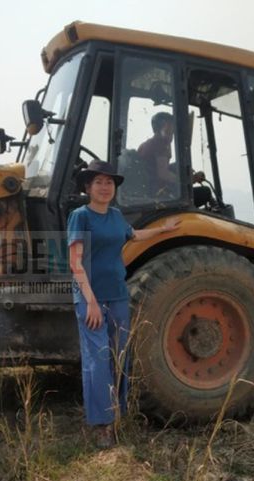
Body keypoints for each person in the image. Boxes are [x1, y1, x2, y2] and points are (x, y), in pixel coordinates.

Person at [67, 159, 181, 449]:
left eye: (109, 183)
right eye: (99, 182)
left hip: (118, 294)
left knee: (120, 355)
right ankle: (102, 425)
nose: (105, 187)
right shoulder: (80, 216)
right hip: (91, 298)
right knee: (97, 359)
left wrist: (164, 229)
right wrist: (90, 302)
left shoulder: (116, 216)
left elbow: (134, 235)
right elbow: (75, 263)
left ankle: (119, 414)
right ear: (87, 187)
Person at [137, 111, 214, 208]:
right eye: (169, 129)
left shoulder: (147, 144)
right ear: (161, 128)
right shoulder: (160, 144)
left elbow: (156, 169)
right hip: (159, 195)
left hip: (151, 190)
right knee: (205, 192)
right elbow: (163, 174)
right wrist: (189, 180)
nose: (172, 132)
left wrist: (180, 169)